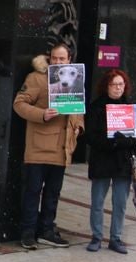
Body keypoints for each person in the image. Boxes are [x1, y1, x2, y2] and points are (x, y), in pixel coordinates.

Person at [12, 44, 83, 249]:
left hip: (62, 148)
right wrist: (41, 114)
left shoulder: (76, 78)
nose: (58, 62)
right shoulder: (37, 78)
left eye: (62, 59)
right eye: (54, 58)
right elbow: (19, 103)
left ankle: (47, 230)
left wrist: (78, 127)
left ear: (70, 59)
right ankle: (28, 232)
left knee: (53, 192)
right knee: (33, 191)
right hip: (40, 145)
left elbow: (78, 111)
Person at [84, 69, 136, 254]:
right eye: (114, 84)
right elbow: (90, 136)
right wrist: (112, 142)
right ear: (106, 86)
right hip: (103, 160)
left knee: (120, 202)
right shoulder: (96, 107)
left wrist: (127, 140)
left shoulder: (131, 106)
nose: (118, 88)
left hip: (123, 162)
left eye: (121, 84)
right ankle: (96, 236)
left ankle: (116, 238)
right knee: (97, 201)